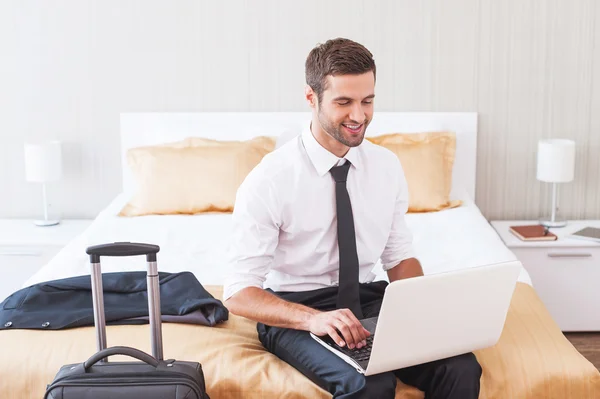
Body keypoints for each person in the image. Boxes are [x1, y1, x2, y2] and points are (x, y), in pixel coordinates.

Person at [223, 38, 482, 399]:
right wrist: (313, 319)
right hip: (298, 311)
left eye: (368, 101)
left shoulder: (386, 167)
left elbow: (398, 256)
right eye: (343, 102)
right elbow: (238, 293)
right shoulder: (269, 180)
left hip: (369, 300)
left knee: (461, 367)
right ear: (311, 98)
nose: (359, 116)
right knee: (369, 383)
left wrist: (425, 310)